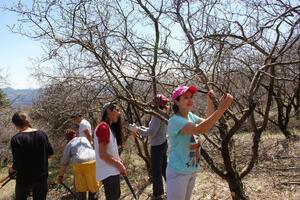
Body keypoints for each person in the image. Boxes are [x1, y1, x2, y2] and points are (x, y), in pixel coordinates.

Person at [166, 85, 233, 200]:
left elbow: (207, 124)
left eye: (191, 97)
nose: (190, 100)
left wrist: (210, 102)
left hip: (190, 169)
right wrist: (221, 109)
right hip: (178, 172)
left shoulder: (190, 116)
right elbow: (200, 129)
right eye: (185, 97)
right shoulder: (175, 121)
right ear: (176, 102)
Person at [129, 94, 169, 200]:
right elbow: (152, 129)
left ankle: (157, 194)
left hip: (157, 146)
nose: (151, 104)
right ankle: (171, 188)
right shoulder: (164, 113)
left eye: (153, 102)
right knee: (164, 167)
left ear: (157, 103)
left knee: (156, 170)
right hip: (163, 143)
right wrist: (140, 127)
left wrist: (137, 129)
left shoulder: (157, 115)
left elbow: (151, 132)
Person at [9, 111, 54, 200]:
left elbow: (17, 163)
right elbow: (50, 154)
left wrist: (11, 169)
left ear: (16, 124)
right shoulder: (42, 134)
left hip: (24, 179)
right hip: (42, 177)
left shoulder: (16, 139)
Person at [94, 102, 126, 200]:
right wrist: (118, 164)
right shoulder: (103, 128)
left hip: (112, 171)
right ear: (109, 111)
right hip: (109, 173)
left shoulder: (108, 128)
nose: (119, 113)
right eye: (117, 110)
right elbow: (102, 154)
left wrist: (119, 162)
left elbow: (110, 151)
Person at [57, 129, 100, 200]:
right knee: (93, 187)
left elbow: (64, 164)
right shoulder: (83, 139)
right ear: (75, 135)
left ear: (67, 139)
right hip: (93, 161)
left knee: (81, 188)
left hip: (80, 164)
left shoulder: (69, 144)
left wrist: (60, 177)